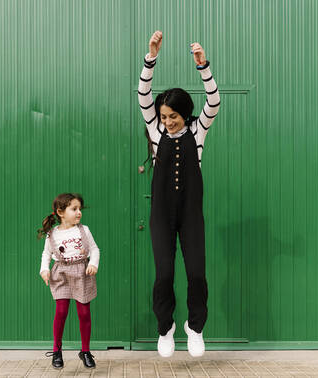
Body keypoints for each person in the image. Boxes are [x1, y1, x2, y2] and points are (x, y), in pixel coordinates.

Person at [138, 30, 221, 357]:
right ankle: (165, 327)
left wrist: (204, 67)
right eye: (164, 117)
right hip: (161, 215)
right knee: (165, 273)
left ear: (184, 114)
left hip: (190, 216)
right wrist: (151, 58)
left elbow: (213, 101)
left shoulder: (198, 130)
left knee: (197, 273)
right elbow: (144, 94)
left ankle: (195, 327)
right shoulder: (155, 131)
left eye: (173, 117)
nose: (168, 122)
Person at [38, 193, 100, 369]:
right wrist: (44, 269)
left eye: (80, 208)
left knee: (84, 313)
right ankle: (57, 351)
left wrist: (93, 264)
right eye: (74, 209)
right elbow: (46, 254)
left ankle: (85, 351)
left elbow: (94, 249)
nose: (79, 212)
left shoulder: (84, 230)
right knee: (61, 311)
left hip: (82, 272)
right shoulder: (52, 234)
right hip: (61, 273)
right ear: (60, 212)